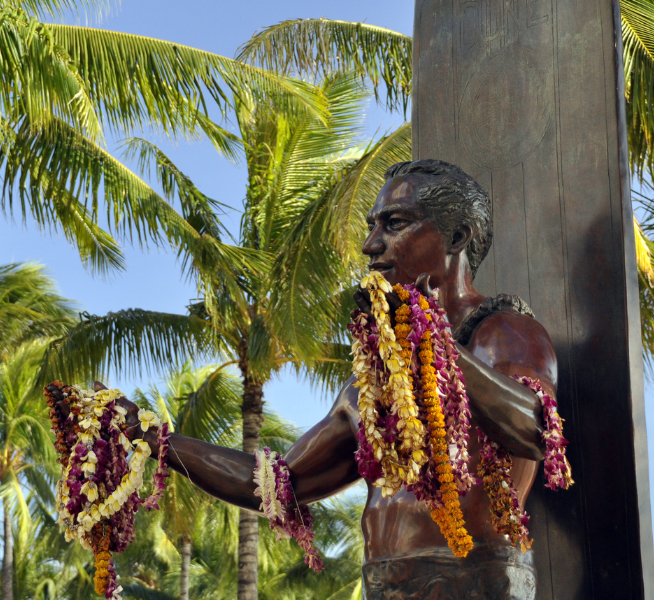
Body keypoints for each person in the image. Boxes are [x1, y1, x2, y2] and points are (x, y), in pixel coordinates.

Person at [130, 159, 558, 599]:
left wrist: (435, 342)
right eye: (372, 226)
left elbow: (535, 429)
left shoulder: (501, 332)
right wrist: (155, 440)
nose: (371, 245)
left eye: (395, 223)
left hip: (479, 583)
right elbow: (279, 484)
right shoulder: (370, 385)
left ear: (456, 237)